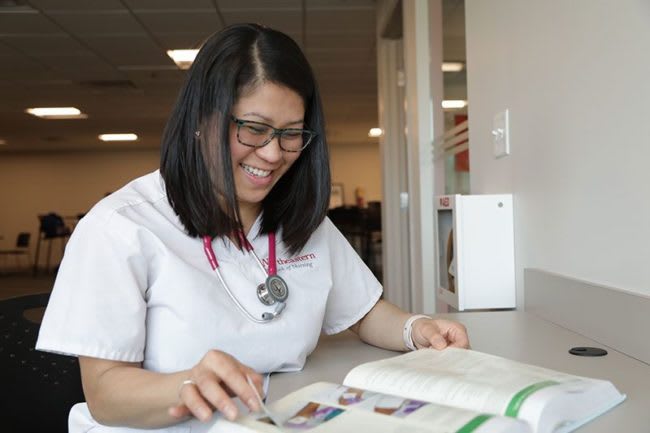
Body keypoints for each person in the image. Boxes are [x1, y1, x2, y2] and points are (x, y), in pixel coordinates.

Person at [36, 23, 469, 433]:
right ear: (201, 119)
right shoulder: (122, 226)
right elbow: (105, 393)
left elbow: (364, 311)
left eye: (291, 134)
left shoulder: (300, 218)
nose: (273, 153)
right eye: (254, 129)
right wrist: (188, 384)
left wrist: (417, 330)